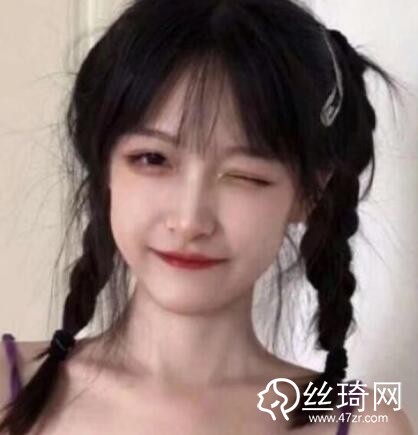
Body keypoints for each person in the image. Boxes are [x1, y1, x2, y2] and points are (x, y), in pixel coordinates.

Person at [0, 0, 414, 433]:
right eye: (153, 159)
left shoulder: (362, 420)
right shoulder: (10, 383)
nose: (190, 220)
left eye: (245, 176)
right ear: (104, 166)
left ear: (310, 193)